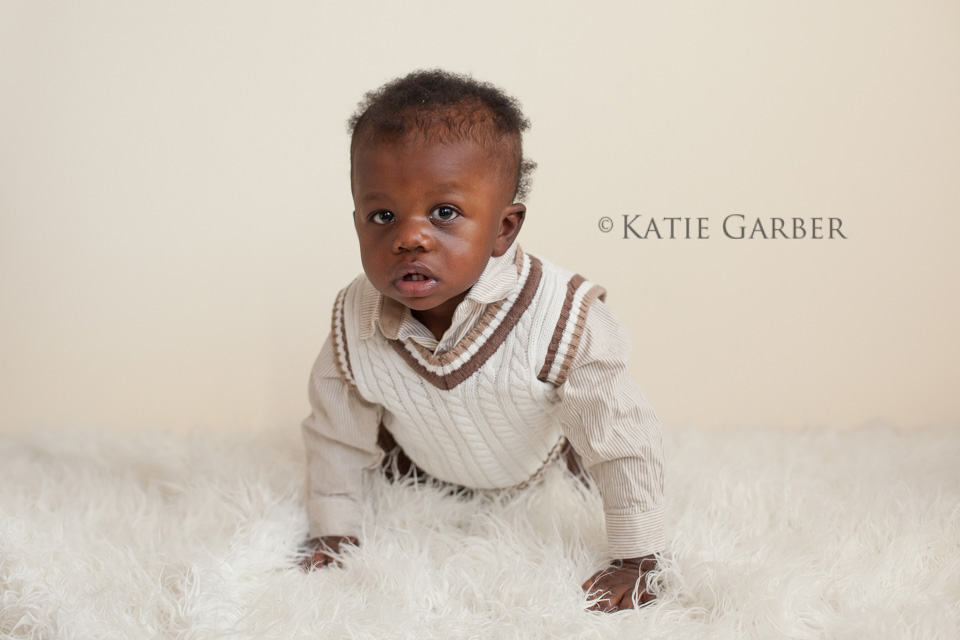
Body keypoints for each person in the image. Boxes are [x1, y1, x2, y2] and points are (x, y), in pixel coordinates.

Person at [300, 69, 665, 612]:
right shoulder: (353, 322)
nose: (410, 236)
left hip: (535, 459)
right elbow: (336, 432)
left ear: (504, 228)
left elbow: (622, 437)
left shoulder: (563, 317)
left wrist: (636, 558)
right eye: (382, 215)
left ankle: (566, 461)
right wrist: (334, 530)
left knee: (588, 439)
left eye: (445, 213)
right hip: (426, 460)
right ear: (357, 222)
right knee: (385, 441)